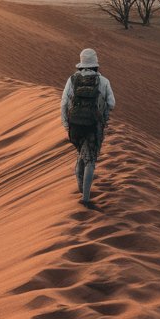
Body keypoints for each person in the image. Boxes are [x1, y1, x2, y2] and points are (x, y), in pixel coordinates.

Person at [61, 48, 115, 206]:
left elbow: (64, 103)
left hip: (75, 126)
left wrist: (66, 124)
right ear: (95, 64)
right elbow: (112, 103)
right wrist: (103, 114)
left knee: (81, 155)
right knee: (90, 160)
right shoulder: (103, 81)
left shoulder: (72, 80)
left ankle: (79, 186)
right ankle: (85, 198)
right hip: (93, 126)